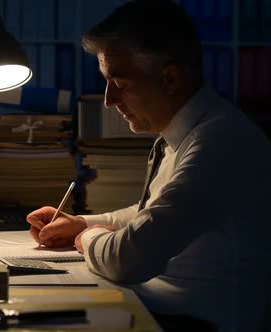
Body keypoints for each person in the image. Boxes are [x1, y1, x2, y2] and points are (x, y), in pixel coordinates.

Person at [26, 1, 271, 331]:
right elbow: (153, 213)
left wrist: (86, 237)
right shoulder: (190, 133)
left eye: (121, 83)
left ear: (170, 78)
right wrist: (82, 222)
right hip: (160, 312)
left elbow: (129, 259)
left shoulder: (222, 143)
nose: (109, 100)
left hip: (195, 324)